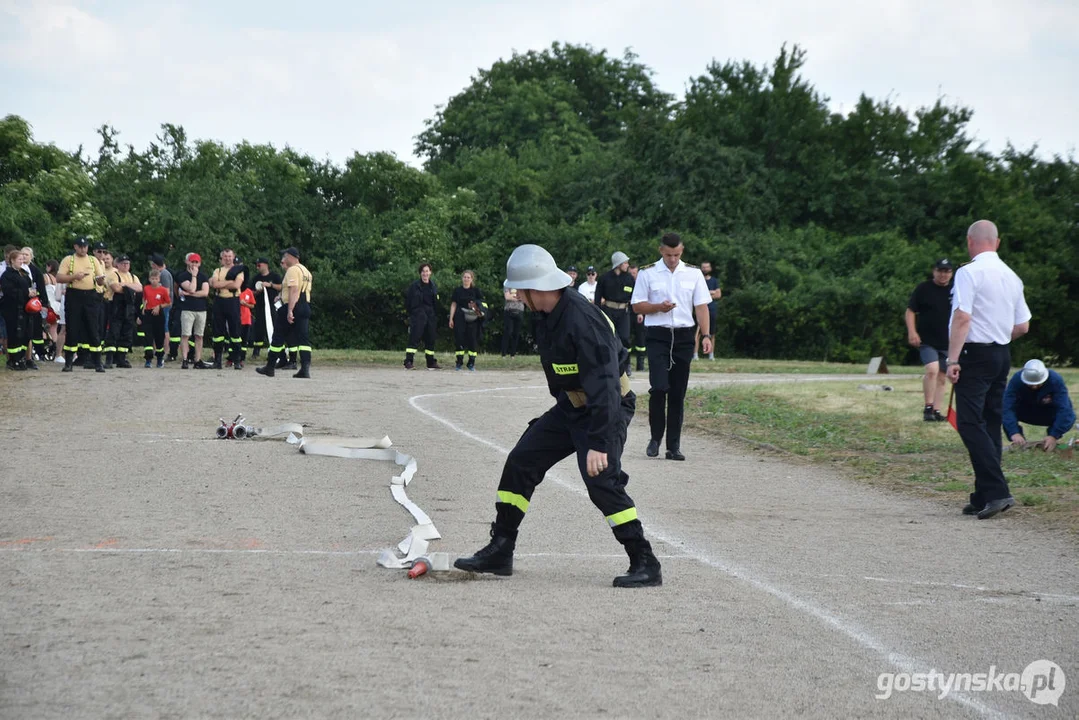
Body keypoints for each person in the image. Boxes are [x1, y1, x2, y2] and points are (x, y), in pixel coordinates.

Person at [454, 244, 662, 588]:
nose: (517, 296)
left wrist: (598, 442)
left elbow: (607, 386)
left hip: (605, 407)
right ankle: (501, 550)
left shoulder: (583, 321)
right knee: (522, 460)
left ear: (538, 289)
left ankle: (645, 560)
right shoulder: (546, 315)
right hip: (572, 407)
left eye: (521, 290)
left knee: (601, 479)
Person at [945, 220, 1031, 520]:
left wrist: (952, 359)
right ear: (998, 242)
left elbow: (962, 317)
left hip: (974, 354)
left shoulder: (969, 272)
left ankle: (996, 491)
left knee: (969, 423)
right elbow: (1022, 326)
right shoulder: (1012, 276)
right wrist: (999, 337)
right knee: (990, 422)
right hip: (1001, 353)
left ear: (971, 241)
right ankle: (984, 494)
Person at [631, 232, 713, 461]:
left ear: (682, 251)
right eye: (669, 255)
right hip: (658, 335)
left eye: (677, 255)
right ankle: (655, 437)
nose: (673, 259)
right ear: (661, 251)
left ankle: (673, 446)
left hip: (685, 337)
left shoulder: (694, 274)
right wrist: (658, 307)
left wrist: (705, 335)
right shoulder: (647, 273)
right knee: (658, 388)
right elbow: (637, 306)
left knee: (677, 393)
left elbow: (702, 307)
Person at [906, 258, 955, 422]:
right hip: (927, 340)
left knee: (942, 376)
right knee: (932, 369)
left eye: (947, 271)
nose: (943, 274)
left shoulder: (956, 290)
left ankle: (936, 410)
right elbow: (910, 311)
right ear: (934, 271)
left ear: (951, 273)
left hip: (948, 341)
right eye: (940, 271)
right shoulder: (924, 288)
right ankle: (928, 406)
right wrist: (912, 332)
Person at [256, 247, 313, 379]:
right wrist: (281, 296)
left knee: (278, 335)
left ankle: (270, 367)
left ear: (291, 257)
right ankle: (305, 369)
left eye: (285, 256)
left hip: (293, 305)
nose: (283, 259)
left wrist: (290, 310)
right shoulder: (306, 271)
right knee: (303, 338)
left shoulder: (292, 270)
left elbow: (294, 290)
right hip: (305, 305)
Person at [55, 236, 107, 372]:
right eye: (80, 246)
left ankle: (97, 362)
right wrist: (74, 277)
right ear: (75, 247)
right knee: (72, 328)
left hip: (91, 296)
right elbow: (59, 277)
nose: (83, 249)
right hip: (74, 295)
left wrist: (101, 280)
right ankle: (68, 362)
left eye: (85, 246)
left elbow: (101, 280)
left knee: (93, 328)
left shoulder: (93, 260)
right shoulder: (68, 260)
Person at [1003, 359, 1075, 451]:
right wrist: (1014, 432)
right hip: (1025, 410)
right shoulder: (1016, 380)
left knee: (1070, 416)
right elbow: (1007, 407)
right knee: (1000, 408)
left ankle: (1050, 439)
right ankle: (1020, 443)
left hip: (1048, 411)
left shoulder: (1055, 380)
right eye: (1030, 384)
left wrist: (1053, 435)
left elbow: (1064, 409)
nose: (1034, 387)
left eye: (1037, 384)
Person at [596, 251, 635, 372]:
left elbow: (634, 297)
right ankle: (609, 364)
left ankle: (626, 364)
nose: (627, 265)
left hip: (624, 312)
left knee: (625, 338)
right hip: (608, 311)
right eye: (625, 263)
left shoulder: (629, 279)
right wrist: (597, 313)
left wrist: (637, 313)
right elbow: (598, 296)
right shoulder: (604, 278)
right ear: (618, 264)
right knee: (609, 337)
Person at [104, 255, 142, 369]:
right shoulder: (113, 275)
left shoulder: (133, 276)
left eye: (127, 263)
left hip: (129, 307)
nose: (125, 265)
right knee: (113, 332)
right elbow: (116, 288)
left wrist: (125, 285)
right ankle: (109, 359)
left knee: (127, 333)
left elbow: (140, 288)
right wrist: (130, 288)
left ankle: (121, 358)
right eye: (123, 263)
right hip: (116, 307)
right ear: (118, 265)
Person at [403, 262, 442, 370]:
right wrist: (413, 313)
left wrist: (434, 314)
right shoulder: (414, 286)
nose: (425, 273)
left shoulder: (433, 286)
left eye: (427, 271)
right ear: (420, 273)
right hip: (418, 314)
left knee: (430, 338)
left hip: (430, 314)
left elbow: (436, 302)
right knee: (414, 337)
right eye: (423, 271)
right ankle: (408, 361)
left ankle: (430, 362)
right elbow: (408, 301)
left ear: (430, 272)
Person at [209, 248, 244, 369]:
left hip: (233, 301)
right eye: (225, 256)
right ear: (222, 258)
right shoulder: (217, 270)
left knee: (235, 332)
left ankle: (237, 360)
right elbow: (214, 284)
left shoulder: (238, 270)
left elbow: (237, 285)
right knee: (218, 332)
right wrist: (228, 282)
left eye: (230, 256)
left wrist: (222, 283)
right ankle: (217, 361)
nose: (228, 258)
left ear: (233, 256)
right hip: (219, 301)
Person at [175, 252, 210, 369]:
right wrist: (194, 276)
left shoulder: (204, 276)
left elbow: (205, 292)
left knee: (199, 335)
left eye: (196, 262)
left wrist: (190, 294)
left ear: (199, 263)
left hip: (201, 309)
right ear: (187, 262)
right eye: (192, 261)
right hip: (187, 309)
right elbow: (191, 287)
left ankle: (197, 359)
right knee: (185, 334)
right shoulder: (182, 276)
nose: (194, 264)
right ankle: (185, 359)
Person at [1, 247, 34, 371]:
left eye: (23, 259)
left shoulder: (24, 273)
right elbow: (8, 291)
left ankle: (21, 358)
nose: (22, 261)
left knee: (25, 334)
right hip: (12, 310)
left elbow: (30, 285)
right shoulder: (6, 275)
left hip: (25, 309)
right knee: (15, 335)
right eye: (19, 259)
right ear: (12, 261)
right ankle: (13, 360)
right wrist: (26, 293)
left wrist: (32, 293)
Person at [449, 269, 483, 372]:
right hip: (460, 316)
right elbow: (454, 304)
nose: (466, 279)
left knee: (472, 340)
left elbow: (482, 304)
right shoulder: (457, 291)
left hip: (472, 318)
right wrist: (451, 318)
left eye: (468, 277)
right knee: (459, 339)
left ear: (472, 279)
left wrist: (477, 307)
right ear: (462, 278)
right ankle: (459, 362)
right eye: (465, 277)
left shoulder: (476, 291)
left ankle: (471, 363)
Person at [20, 247, 50, 365]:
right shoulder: (19, 270)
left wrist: (44, 303)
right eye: (22, 254)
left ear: (31, 257)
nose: (24, 256)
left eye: (27, 254)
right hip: (23, 302)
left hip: (35, 302)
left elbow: (41, 288)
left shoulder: (35, 270)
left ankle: (40, 353)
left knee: (37, 329)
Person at [250, 258, 281, 359]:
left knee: (273, 327)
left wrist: (270, 285)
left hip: (273, 306)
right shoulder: (256, 278)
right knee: (258, 328)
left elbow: (281, 287)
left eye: (259, 265)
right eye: (257, 265)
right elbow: (251, 293)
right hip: (260, 306)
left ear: (266, 265)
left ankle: (275, 350)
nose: (257, 267)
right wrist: (258, 291)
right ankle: (256, 351)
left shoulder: (274, 276)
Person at [141, 269, 170, 368]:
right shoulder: (146, 288)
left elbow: (168, 302)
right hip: (148, 313)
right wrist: (144, 308)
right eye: (152, 279)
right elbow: (144, 298)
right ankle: (148, 359)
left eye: (156, 279)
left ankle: (159, 358)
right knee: (148, 337)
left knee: (159, 337)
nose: (154, 281)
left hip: (158, 313)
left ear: (159, 279)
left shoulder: (163, 290)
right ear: (149, 279)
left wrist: (159, 306)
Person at [694, 260, 722, 360]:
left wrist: (706, 293)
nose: (705, 269)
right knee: (698, 333)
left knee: (712, 333)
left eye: (707, 267)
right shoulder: (699, 280)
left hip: (712, 309)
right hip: (700, 309)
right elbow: (696, 294)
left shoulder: (714, 281)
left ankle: (711, 355)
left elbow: (718, 294)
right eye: (703, 267)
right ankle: (695, 355)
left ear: (710, 268)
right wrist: (711, 293)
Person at [628, 263, 647, 373]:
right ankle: (627, 364)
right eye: (631, 273)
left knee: (641, 339)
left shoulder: (641, 284)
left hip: (639, 313)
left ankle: (640, 365)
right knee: (627, 338)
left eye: (634, 273)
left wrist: (640, 313)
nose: (632, 275)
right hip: (628, 313)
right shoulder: (626, 282)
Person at [501, 286, 525, 358]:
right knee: (508, 332)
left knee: (516, 333)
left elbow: (524, 297)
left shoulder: (523, 284)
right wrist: (518, 296)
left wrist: (514, 296)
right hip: (509, 310)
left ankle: (513, 354)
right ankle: (504, 354)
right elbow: (507, 297)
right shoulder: (507, 284)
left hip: (519, 310)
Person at [237, 282, 255, 370]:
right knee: (235, 339)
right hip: (237, 318)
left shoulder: (249, 291)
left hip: (247, 319)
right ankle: (232, 358)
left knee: (244, 341)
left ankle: (242, 359)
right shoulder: (235, 290)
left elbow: (252, 305)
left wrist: (245, 304)